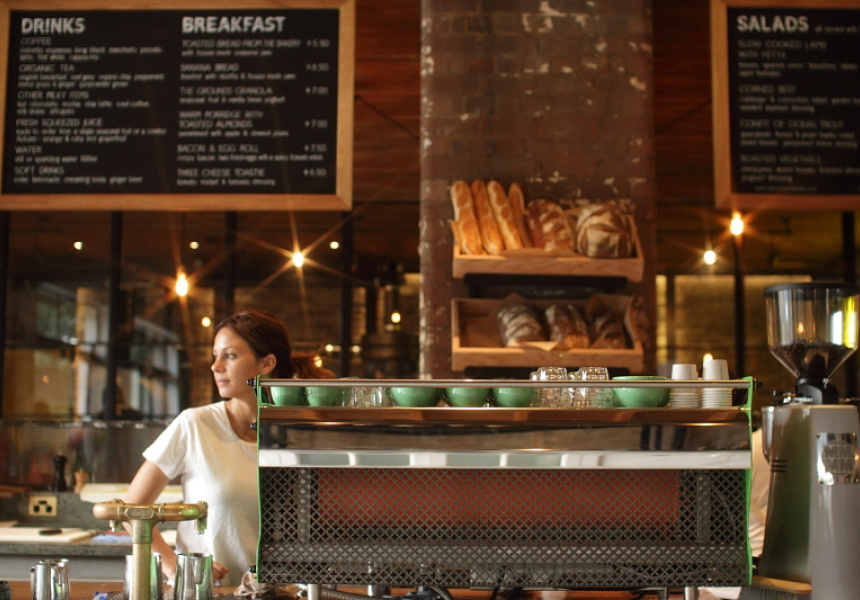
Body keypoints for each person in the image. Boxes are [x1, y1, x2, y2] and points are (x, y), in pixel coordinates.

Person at [122, 310, 333, 586]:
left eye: (230, 356)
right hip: (209, 592)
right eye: (215, 356)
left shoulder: (299, 433)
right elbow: (131, 510)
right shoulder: (194, 425)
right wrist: (175, 568)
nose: (216, 366)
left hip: (282, 592)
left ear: (266, 363)